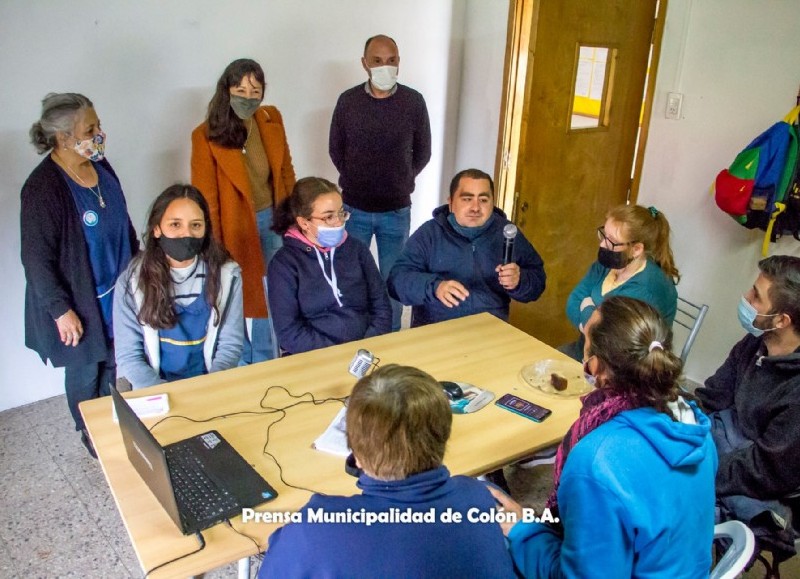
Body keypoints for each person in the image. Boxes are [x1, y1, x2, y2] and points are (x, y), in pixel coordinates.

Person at [490, 296, 717, 577]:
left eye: (585, 339)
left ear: (593, 366)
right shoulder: (695, 424)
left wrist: (523, 530)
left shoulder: (595, 460)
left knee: (478, 533)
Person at [259, 364, 515, 578]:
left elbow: (273, 567)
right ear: (445, 437)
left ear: (356, 456)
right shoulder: (478, 496)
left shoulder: (318, 527)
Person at [21, 93, 138, 456]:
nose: (100, 133)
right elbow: (36, 258)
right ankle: (90, 430)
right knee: (87, 370)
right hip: (79, 301)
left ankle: (113, 419)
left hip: (117, 292)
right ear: (63, 138)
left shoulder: (102, 167)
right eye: (91, 129)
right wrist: (60, 310)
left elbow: (124, 224)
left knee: (115, 362)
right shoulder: (43, 188)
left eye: (98, 125)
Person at [696, 255, 800, 563]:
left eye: (756, 295)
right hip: (728, 450)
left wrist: (698, 468)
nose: (746, 298)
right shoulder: (756, 343)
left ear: (782, 320)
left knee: (657, 500)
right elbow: (713, 396)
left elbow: (765, 470)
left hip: (762, 480)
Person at [191, 58, 295, 364]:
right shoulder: (205, 135)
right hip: (235, 227)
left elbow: (285, 171)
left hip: (273, 220)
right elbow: (205, 199)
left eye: (255, 90)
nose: (248, 97)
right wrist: (214, 245)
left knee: (272, 293)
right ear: (226, 90)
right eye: (240, 89)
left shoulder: (271, 118)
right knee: (239, 297)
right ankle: (242, 360)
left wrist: (292, 217)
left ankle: (267, 357)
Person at [329, 34, 431, 332]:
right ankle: (356, 331)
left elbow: (423, 151)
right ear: (364, 64)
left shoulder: (413, 102)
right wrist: (355, 178)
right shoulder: (348, 102)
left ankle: (390, 336)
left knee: (393, 279)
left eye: (391, 60)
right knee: (353, 277)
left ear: (398, 62)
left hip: (396, 211)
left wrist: (403, 178)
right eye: (377, 61)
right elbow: (336, 149)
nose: (385, 67)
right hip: (354, 209)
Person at [113, 184, 243, 388]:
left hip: (212, 385)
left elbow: (230, 345)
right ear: (157, 229)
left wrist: (211, 389)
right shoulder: (131, 282)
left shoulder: (227, 275)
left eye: (196, 225)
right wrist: (164, 395)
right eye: (175, 225)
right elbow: (129, 356)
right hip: (156, 389)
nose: (186, 234)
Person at [387, 168, 545, 327]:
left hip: (490, 328)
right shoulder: (430, 233)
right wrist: (435, 287)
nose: (475, 208)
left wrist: (519, 281)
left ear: (492, 203)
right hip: (437, 327)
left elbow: (538, 280)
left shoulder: (507, 233)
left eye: (483, 200)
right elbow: (397, 281)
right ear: (450, 203)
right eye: (467, 199)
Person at [267, 177, 391, 355]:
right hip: (315, 355)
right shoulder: (284, 264)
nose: (339, 222)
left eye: (341, 213)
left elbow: (381, 305)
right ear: (304, 223)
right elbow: (289, 332)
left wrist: (367, 347)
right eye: (329, 217)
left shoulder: (357, 250)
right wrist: (336, 354)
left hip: (367, 350)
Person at [562, 203, 679, 361]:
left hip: (622, 368)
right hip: (587, 351)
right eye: (604, 234)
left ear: (636, 249)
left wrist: (587, 304)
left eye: (612, 240)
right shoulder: (608, 265)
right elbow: (573, 300)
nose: (602, 244)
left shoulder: (646, 289)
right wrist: (592, 322)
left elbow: (610, 337)